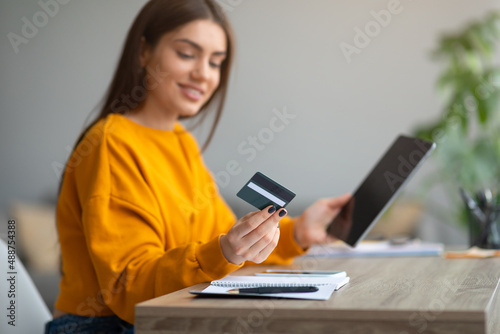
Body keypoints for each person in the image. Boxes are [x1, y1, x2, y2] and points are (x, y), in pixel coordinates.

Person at [45, 0, 351, 333]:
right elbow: (128, 288)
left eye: (216, 62)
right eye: (187, 54)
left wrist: (298, 232)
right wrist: (222, 252)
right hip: (105, 326)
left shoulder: (181, 141)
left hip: (169, 314)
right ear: (144, 51)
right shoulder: (110, 142)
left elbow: (219, 242)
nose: (203, 74)